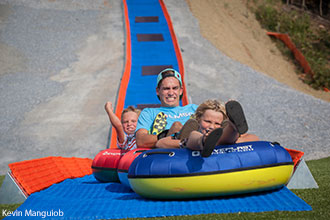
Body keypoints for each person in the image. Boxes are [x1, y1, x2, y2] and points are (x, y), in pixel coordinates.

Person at [155, 99, 259, 157]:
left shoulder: (222, 128)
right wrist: (183, 143)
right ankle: (204, 141)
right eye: (207, 121)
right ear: (199, 119)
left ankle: (232, 127)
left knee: (227, 135)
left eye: (217, 123)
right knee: (194, 134)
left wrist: (235, 140)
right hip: (194, 141)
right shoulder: (192, 127)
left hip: (222, 139)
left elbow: (254, 139)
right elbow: (160, 143)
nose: (211, 126)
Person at [135, 68, 198, 148]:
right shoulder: (149, 112)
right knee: (176, 126)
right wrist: (165, 135)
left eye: (175, 88)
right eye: (166, 89)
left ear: (181, 91)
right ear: (158, 91)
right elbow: (140, 140)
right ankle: (179, 137)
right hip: (166, 153)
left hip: (193, 148)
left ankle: (186, 137)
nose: (171, 93)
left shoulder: (194, 108)